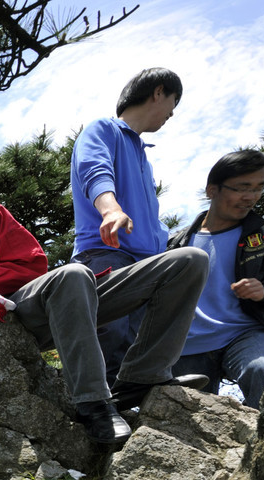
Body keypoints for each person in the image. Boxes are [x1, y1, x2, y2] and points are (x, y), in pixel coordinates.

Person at [0, 176, 210, 447]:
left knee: (187, 261)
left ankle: (144, 376)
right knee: (73, 274)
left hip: (60, 300)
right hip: (14, 323)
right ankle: (94, 404)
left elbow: (34, 264)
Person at [168, 150, 264, 409]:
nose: (251, 197)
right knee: (185, 412)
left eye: (259, 188)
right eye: (242, 187)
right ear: (212, 190)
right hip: (187, 344)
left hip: (248, 332)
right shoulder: (175, 242)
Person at [71, 68, 183, 382]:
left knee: (137, 340)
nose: (172, 113)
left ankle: (138, 395)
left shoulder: (142, 155)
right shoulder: (103, 129)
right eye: (173, 102)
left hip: (144, 262)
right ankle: (92, 407)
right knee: (111, 332)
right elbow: (93, 169)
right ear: (158, 92)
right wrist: (110, 210)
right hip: (108, 252)